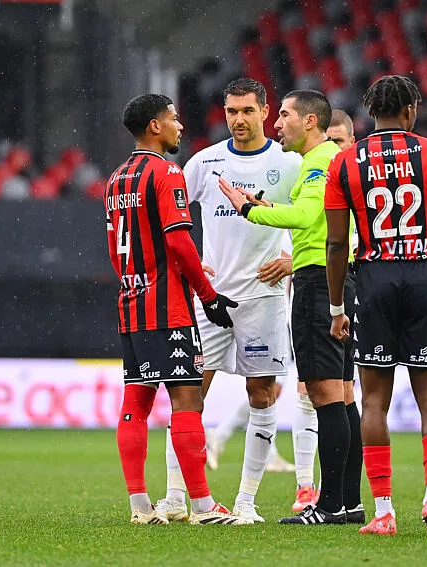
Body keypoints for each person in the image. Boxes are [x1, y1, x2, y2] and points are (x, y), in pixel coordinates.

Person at [325, 75, 427, 537]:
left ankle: (384, 511)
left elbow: (335, 244)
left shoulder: (346, 162)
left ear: (372, 112)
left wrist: (337, 308)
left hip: (372, 279)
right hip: (421, 276)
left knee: (374, 399)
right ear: (411, 111)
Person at [156, 78, 302, 524]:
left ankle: (245, 504)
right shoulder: (205, 161)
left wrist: (291, 256)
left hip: (264, 296)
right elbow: (170, 217)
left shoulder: (288, 163)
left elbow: (317, 216)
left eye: (247, 111)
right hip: (211, 298)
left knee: (261, 393)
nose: (238, 119)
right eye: (231, 111)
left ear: (264, 111)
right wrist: (192, 269)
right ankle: (176, 498)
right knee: (188, 395)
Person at [219, 90, 365, 526]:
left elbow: (304, 218)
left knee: (323, 394)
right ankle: (349, 501)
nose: (277, 123)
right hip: (335, 277)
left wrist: (248, 209)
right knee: (341, 394)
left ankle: (331, 504)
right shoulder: (326, 161)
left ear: (311, 121)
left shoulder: (319, 160)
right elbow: (314, 213)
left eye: (284, 115)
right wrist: (269, 206)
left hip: (319, 280)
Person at [104, 93, 248, 526]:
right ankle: (203, 506)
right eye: (172, 119)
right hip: (169, 310)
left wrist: (140, 278)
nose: (179, 126)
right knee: (187, 401)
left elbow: (117, 250)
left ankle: (140, 506)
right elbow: (179, 241)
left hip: (132, 305)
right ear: (154, 126)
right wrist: (207, 295)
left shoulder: (116, 178)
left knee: (135, 404)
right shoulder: (166, 172)